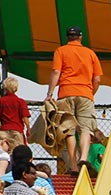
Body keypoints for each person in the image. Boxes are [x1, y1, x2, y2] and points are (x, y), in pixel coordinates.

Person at [45, 26, 102, 174]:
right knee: (85, 128)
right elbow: (97, 79)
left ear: (67, 37)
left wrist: (50, 93)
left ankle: (73, 165)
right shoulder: (90, 53)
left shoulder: (61, 51)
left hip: (65, 93)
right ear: (80, 37)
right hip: (85, 94)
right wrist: (90, 93)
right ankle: (83, 158)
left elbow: (56, 71)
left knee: (69, 130)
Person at [0, 78, 31, 142]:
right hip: (17, 130)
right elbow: (25, 117)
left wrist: (1, 126)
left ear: (5, 87)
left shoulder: (0, 101)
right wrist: (28, 129)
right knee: (19, 150)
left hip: (4, 130)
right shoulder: (20, 102)